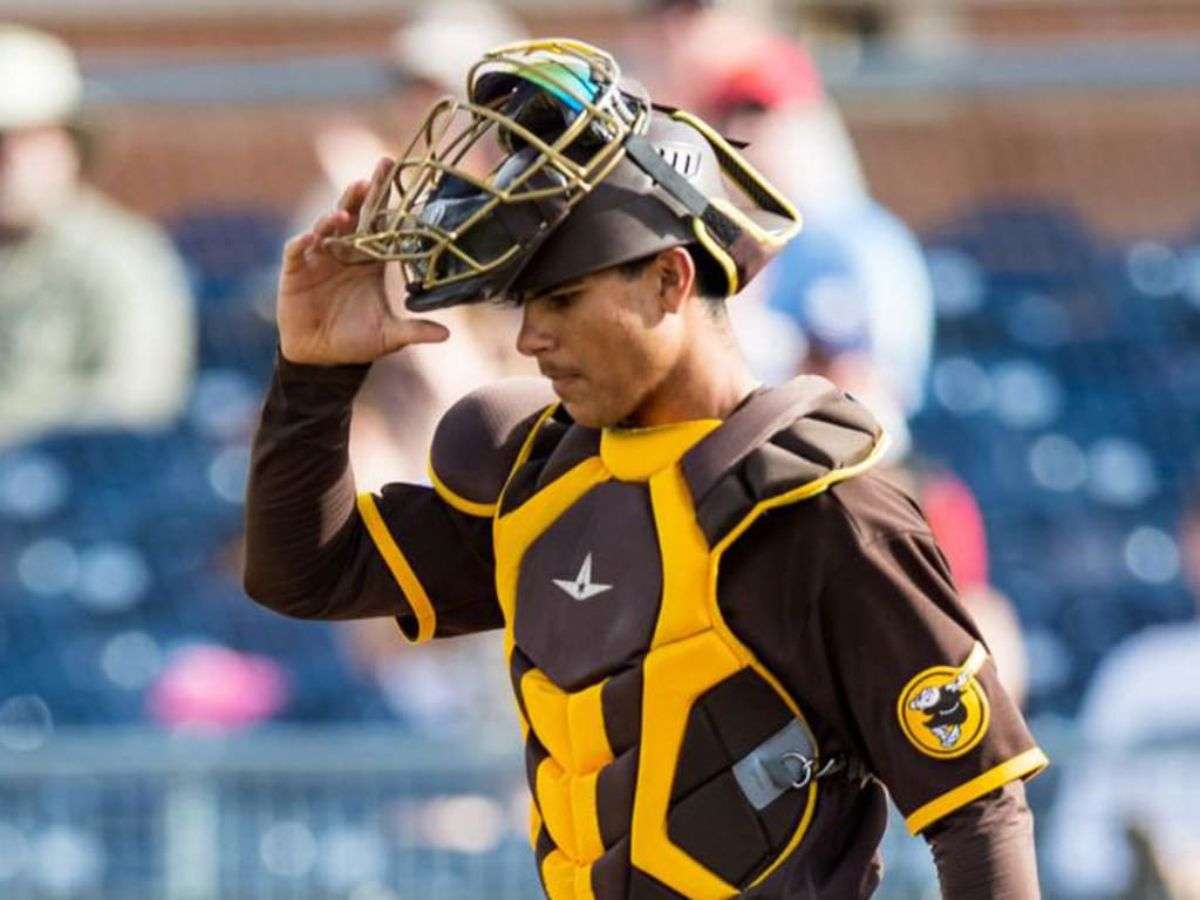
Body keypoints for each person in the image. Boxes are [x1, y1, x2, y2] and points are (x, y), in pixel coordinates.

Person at [244, 39, 1046, 898]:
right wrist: (315, 375)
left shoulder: (824, 514)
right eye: (523, 304)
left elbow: (979, 814)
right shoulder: (540, 483)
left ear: (670, 279)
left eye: (561, 299)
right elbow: (306, 572)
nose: (530, 338)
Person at [0, 24, 195, 447]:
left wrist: (18, 424)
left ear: (69, 145)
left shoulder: (122, 253)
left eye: (22, 143)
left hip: (74, 492)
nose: (9, 165)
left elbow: (139, 399)